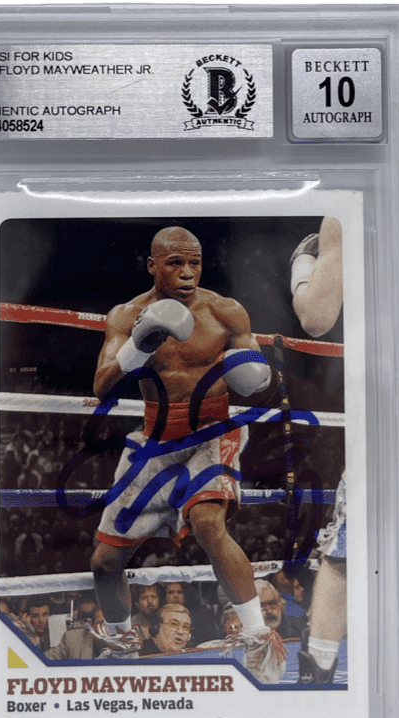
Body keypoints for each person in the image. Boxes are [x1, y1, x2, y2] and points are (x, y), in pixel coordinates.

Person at [90, 226, 285, 681]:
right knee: (104, 563)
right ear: (152, 265)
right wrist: (140, 345)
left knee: (207, 522)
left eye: (194, 263)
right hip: (155, 437)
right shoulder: (126, 316)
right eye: (175, 263)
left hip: (213, 430)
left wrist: (257, 377)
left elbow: (260, 384)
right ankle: (122, 643)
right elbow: (101, 387)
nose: (187, 272)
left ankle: (258, 636)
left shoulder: (225, 311)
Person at [290, 217, 347, 684]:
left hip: (389, 402)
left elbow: (315, 319)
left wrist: (303, 265)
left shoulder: (343, 215)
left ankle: (320, 669)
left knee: (348, 542)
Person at [163, 581, 217, 646]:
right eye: (171, 592)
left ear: (184, 595)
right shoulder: (160, 616)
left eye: (180, 592)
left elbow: (208, 641)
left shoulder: (200, 616)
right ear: (165, 596)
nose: (176, 596)